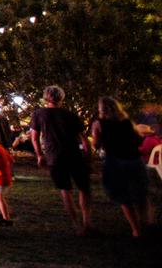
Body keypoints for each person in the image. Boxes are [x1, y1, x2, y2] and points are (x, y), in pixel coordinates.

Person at [29, 85, 93, 236]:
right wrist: (89, 158)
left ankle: (77, 226)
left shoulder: (39, 114)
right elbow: (84, 140)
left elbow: (34, 138)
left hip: (55, 157)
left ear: (46, 97)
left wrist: (40, 155)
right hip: (74, 155)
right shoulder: (70, 115)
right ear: (61, 97)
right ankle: (87, 222)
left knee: (66, 190)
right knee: (84, 189)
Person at [91, 96, 148, 238]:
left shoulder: (99, 124)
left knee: (123, 197)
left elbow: (96, 144)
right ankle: (145, 223)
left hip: (115, 162)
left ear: (101, 109)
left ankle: (136, 230)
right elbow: (138, 140)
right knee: (139, 193)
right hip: (134, 160)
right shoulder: (127, 122)